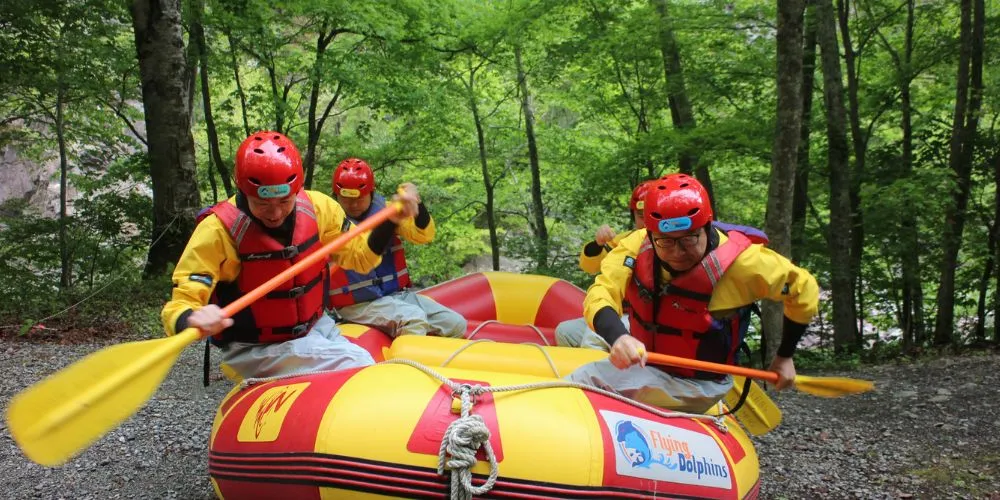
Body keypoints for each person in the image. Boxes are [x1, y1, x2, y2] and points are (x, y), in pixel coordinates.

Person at [160, 131, 419, 381]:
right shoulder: (218, 231)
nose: (275, 214)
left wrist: (390, 222)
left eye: (285, 202)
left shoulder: (320, 208)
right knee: (360, 365)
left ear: (297, 190)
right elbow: (180, 303)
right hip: (254, 348)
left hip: (316, 326)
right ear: (243, 192)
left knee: (363, 362)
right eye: (262, 204)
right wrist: (191, 317)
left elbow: (361, 258)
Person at [566, 173, 819, 414]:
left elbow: (803, 288)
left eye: (689, 239)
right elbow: (601, 293)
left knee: (581, 382)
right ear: (651, 235)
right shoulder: (636, 245)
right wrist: (619, 337)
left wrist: (785, 356)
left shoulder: (745, 264)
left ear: (706, 227)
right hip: (651, 367)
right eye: (666, 242)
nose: (677, 252)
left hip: (699, 383)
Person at [328, 158, 467, 339]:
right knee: (414, 319)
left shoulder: (388, 210)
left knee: (456, 324)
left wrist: (416, 203)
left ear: (371, 193)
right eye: (346, 199)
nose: (353, 205)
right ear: (336, 195)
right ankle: (408, 365)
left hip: (396, 295)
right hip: (356, 305)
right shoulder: (329, 221)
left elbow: (423, 235)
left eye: (359, 199)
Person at [555, 181, 650, 350]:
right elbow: (589, 266)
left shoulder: (667, 244)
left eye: (652, 214)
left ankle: (595, 374)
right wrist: (598, 244)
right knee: (564, 332)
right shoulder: (624, 240)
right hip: (618, 312)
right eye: (641, 215)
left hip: (644, 319)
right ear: (633, 215)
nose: (646, 221)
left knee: (594, 338)